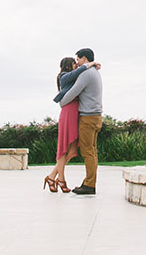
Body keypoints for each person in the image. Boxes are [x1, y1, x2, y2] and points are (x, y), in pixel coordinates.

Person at [44, 56, 100, 193]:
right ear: (69, 66)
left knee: (73, 150)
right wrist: (91, 64)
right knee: (64, 148)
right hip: (68, 111)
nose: (77, 64)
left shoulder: (78, 76)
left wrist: (91, 66)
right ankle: (60, 179)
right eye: (74, 62)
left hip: (76, 112)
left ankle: (52, 176)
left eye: (78, 61)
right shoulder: (63, 76)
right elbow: (77, 75)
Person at [58, 47, 103, 195]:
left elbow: (72, 93)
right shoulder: (95, 72)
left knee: (87, 152)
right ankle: (89, 182)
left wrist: (62, 102)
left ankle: (89, 185)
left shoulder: (87, 74)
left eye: (78, 59)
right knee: (93, 151)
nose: (77, 63)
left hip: (88, 118)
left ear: (84, 58)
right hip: (96, 117)